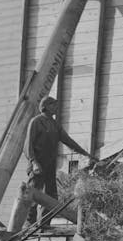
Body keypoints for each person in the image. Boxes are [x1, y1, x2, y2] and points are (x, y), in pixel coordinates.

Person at [25, 95, 97, 224]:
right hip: (38, 164)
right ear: (45, 107)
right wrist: (34, 162)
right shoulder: (36, 122)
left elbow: (68, 141)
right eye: (53, 105)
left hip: (50, 165)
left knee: (51, 196)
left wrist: (86, 154)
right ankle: (29, 223)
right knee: (32, 194)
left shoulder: (54, 124)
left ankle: (44, 223)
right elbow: (27, 146)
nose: (56, 107)